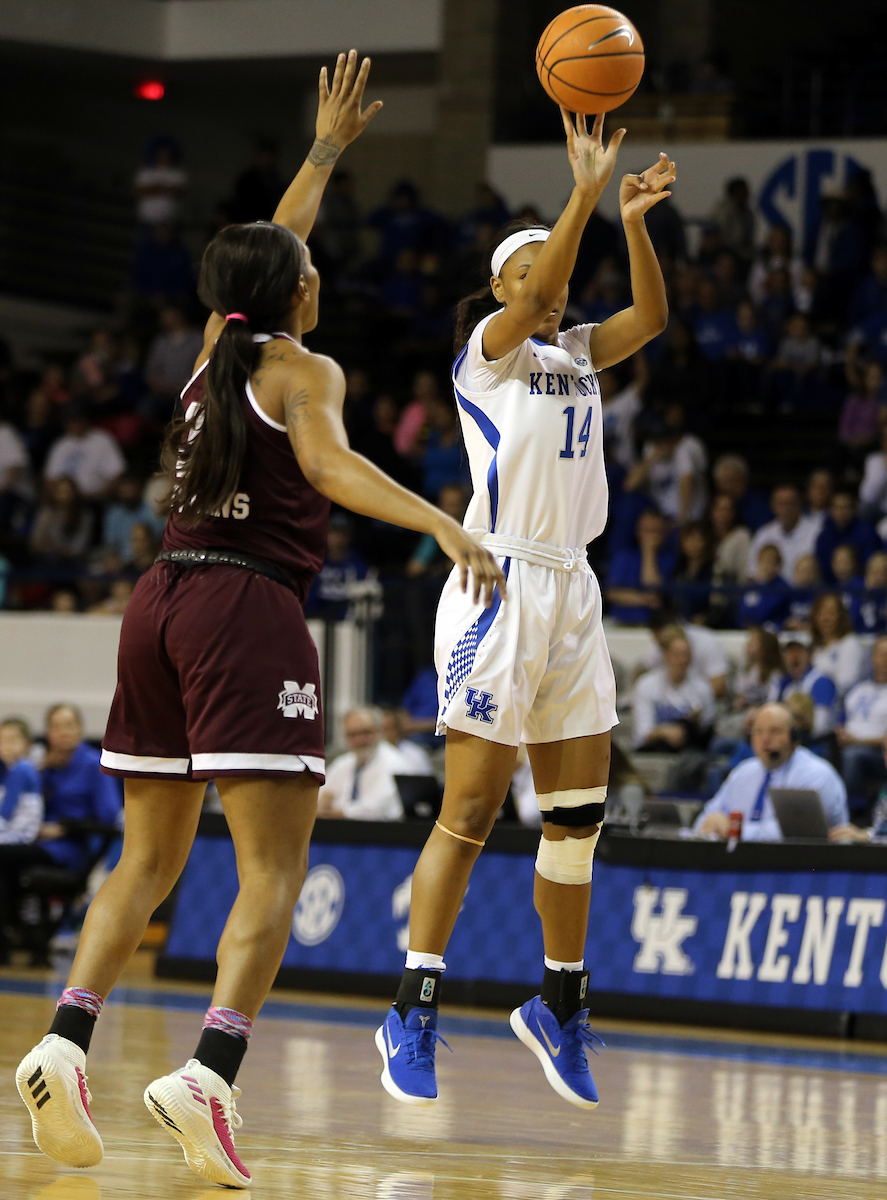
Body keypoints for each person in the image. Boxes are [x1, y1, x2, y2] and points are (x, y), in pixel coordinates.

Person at [15, 51, 503, 1188]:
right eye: (310, 267)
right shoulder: (301, 368)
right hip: (245, 604)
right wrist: (441, 522)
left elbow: (268, 253)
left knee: (144, 861)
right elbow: (330, 471)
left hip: (159, 599)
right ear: (293, 294)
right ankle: (211, 1073)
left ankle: (62, 1041)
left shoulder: (207, 357)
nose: (318, 271)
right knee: (273, 867)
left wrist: (323, 155)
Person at [374, 112, 674, 1112]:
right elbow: (547, 284)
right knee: (467, 810)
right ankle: (411, 1003)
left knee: (574, 822)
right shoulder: (486, 354)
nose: (548, 284)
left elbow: (650, 320)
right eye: (529, 271)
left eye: (549, 271)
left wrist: (627, 218)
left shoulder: (576, 349)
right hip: (498, 581)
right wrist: (580, 191)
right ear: (501, 289)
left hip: (573, 587)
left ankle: (556, 1003)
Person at [694, 703, 850, 842]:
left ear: (794, 736)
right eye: (758, 732)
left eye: (775, 731)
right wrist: (711, 824)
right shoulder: (742, 772)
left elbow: (798, 832)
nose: (765, 739)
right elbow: (706, 817)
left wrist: (735, 830)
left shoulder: (817, 774)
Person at [318, 707, 417, 820]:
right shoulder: (343, 763)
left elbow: (379, 809)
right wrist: (323, 805)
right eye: (352, 734)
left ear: (380, 731)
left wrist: (340, 812)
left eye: (365, 732)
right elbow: (321, 798)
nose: (360, 740)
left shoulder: (395, 763)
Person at [0, 717, 44, 963]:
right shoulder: (11, 769)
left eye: (12, 740)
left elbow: (5, 812)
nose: (5, 746)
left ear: (26, 744)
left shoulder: (21, 769)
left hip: (20, 836)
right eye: (1, 740)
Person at [631, 632, 715, 752]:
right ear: (665, 655)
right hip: (652, 749)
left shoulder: (702, 688)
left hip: (689, 749)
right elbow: (643, 732)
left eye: (686, 655)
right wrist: (665, 732)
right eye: (677, 655)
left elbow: (708, 727)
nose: (682, 660)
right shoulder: (646, 685)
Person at [838, 636, 887, 811]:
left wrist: (857, 741)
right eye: (880, 654)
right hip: (849, 746)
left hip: (878, 755)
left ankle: (855, 812)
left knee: (853, 756)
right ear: (872, 658)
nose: (884, 660)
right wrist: (840, 732)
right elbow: (840, 720)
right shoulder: (858, 690)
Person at [606, 509, 676, 625]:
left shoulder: (671, 559)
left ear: (664, 533)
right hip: (620, 623)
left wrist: (648, 553)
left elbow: (654, 591)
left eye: (655, 531)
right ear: (638, 531)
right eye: (646, 531)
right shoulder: (623, 557)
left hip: (654, 625)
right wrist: (644, 600)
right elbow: (612, 593)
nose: (650, 537)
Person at [643, 609, 728, 699]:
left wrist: (687, 698)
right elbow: (646, 671)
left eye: (684, 655)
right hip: (666, 698)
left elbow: (719, 686)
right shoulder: (660, 643)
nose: (682, 660)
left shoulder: (708, 642)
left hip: (700, 700)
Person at [768, 630, 837, 736]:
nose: (794, 656)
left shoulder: (820, 682)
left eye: (799, 651)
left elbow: (821, 726)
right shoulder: (783, 682)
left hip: (814, 742)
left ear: (809, 654)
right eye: (790, 651)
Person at [746, 484, 819, 581]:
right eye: (781, 504)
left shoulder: (816, 533)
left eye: (790, 503)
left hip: (804, 593)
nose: (785, 508)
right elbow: (752, 572)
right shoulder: (763, 534)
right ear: (773, 506)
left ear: (799, 504)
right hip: (772, 593)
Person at [815, 489, 880, 583]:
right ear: (831, 510)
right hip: (831, 588)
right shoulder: (824, 536)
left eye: (845, 507)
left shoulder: (867, 533)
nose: (841, 512)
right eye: (837, 508)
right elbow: (821, 568)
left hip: (861, 587)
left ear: (854, 509)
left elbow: (871, 565)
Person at [810, 592, 866, 697]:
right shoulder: (815, 647)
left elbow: (846, 683)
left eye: (830, 613)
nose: (825, 618)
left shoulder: (850, 644)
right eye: (820, 614)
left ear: (841, 616)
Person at [736, 543, 791, 628]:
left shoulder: (782, 586)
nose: (765, 565)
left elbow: (764, 612)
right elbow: (742, 612)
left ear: (777, 565)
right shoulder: (751, 584)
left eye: (769, 561)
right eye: (762, 560)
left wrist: (763, 583)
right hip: (748, 630)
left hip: (774, 631)